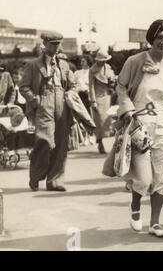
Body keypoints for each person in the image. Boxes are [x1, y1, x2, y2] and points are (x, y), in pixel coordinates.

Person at [116, 19, 163, 237]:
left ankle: (155, 222)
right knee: (143, 178)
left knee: (160, 176)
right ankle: (135, 208)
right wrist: (127, 112)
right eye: (160, 37)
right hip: (139, 121)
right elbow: (122, 86)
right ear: (151, 39)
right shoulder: (134, 61)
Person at [19, 32, 76, 192]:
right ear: (45, 44)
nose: (56, 47)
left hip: (62, 103)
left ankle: (55, 181)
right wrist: (34, 99)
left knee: (61, 143)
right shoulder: (33, 65)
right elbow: (23, 86)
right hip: (44, 101)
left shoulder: (64, 64)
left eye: (58, 44)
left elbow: (73, 83)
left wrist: (70, 93)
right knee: (44, 141)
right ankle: (36, 176)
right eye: (53, 44)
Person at [89, 50, 115, 154]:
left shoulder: (107, 68)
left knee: (107, 121)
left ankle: (106, 140)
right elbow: (91, 86)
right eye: (102, 60)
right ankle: (100, 142)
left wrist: (112, 84)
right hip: (97, 97)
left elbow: (112, 80)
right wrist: (93, 101)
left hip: (107, 96)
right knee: (98, 121)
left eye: (105, 60)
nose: (103, 62)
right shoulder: (92, 70)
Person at [74, 55, 94, 145]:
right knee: (81, 116)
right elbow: (74, 84)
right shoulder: (77, 73)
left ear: (88, 62)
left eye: (84, 61)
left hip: (88, 96)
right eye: (81, 61)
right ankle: (83, 137)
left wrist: (88, 91)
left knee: (89, 116)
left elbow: (93, 85)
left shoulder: (91, 72)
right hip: (79, 96)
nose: (82, 63)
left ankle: (90, 136)